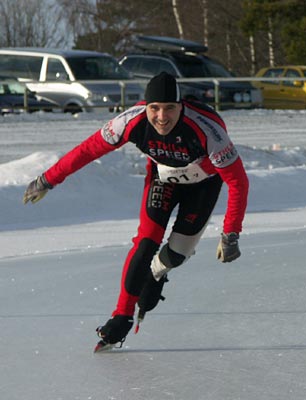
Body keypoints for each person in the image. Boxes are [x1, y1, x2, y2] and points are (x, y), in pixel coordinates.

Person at [23, 72, 250, 351]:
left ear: (182, 106)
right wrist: (48, 179)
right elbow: (88, 150)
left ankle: (156, 273)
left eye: (169, 108)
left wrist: (230, 233)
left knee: (177, 253)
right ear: (146, 106)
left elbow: (238, 181)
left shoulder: (208, 130)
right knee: (146, 242)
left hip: (203, 184)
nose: (162, 117)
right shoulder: (130, 121)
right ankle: (121, 317)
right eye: (155, 108)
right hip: (162, 179)